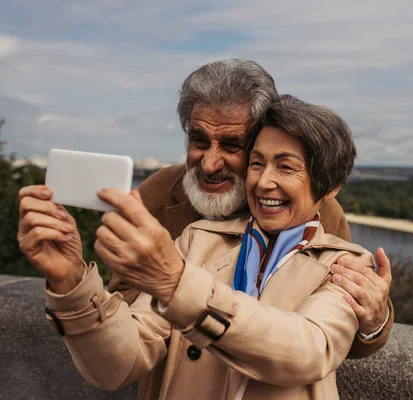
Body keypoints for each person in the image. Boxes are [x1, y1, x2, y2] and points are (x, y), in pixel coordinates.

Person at [19, 96, 384, 399]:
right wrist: (69, 281)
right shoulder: (197, 239)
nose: (264, 182)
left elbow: (307, 349)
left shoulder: (346, 262)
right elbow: (117, 365)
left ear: (331, 185)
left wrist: (176, 283)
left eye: (286, 168)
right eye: (256, 163)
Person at [109, 59, 393, 357]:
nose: (209, 163)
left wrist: (375, 319)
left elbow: (334, 331)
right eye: (199, 141)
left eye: (232, 145)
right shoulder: (159, 192)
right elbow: (122, 298)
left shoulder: (320, 211)